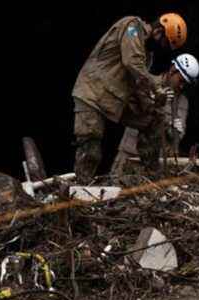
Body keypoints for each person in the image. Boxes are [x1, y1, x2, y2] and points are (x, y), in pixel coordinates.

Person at [72, 13, 188, 183]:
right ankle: (82, 188)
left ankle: (153, 177)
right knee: (91, 147)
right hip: (93, 93)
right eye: (164, 43)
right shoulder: (132, 27)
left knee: (153, 119)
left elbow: (139, 85)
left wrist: (153, 103)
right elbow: (132, 63)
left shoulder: (146, 56)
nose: (162, 48)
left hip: (115, 98)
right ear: (158, 32)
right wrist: (156, 87)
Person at [111, 53, 199, 175]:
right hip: (130, 152)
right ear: (173, 70)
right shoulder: (148, 83)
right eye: (181, 80)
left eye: (185, 84)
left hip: (156, 161)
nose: (181, 86)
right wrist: (167, 120)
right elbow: (132, 111)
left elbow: (179, 134)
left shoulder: (182, 102)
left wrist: (176, 131)